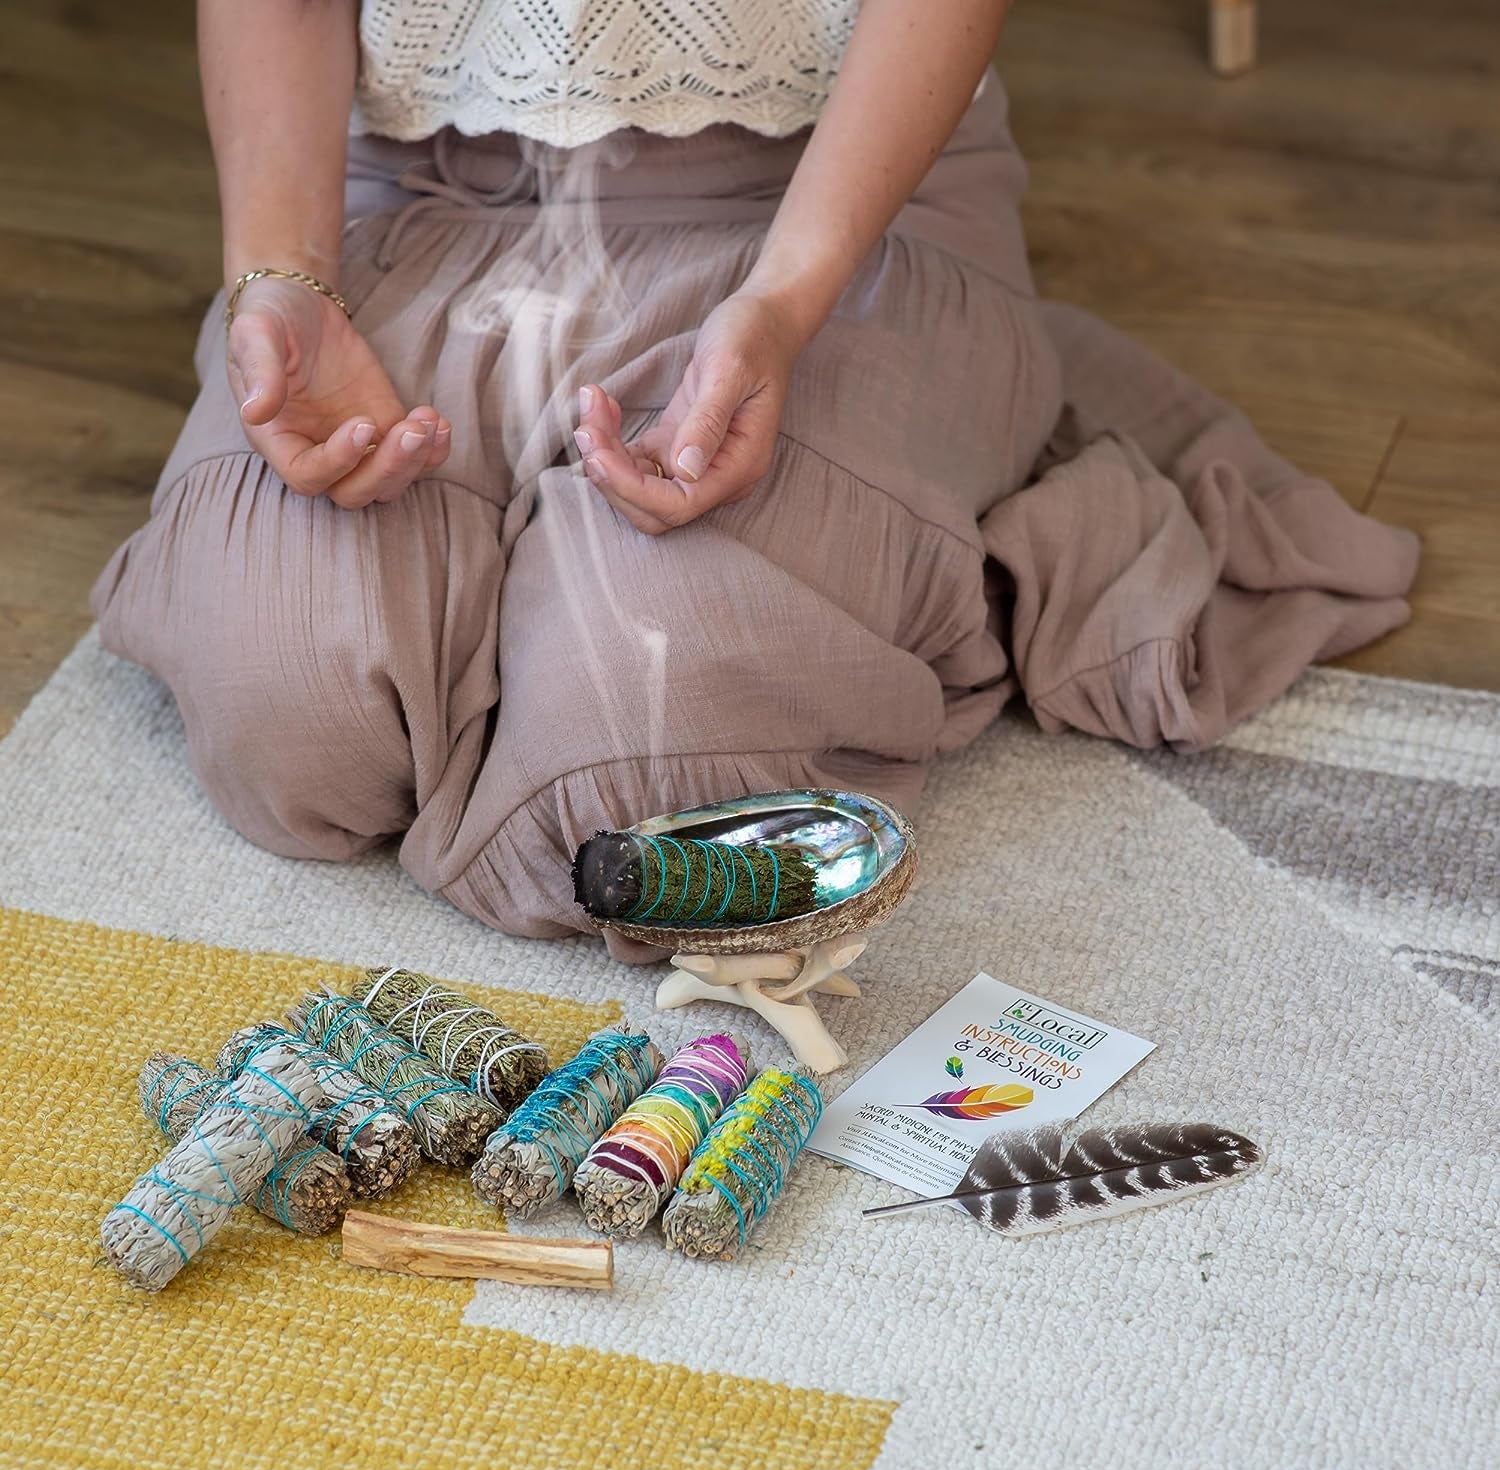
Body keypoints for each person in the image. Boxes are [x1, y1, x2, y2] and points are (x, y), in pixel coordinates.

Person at [91, 0, 1417, 961]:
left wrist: (786, 306)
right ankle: (525, 605)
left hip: (819, 210)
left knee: (645, 779)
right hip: (414, 203)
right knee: (296, 733)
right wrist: (284, 276)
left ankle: (886, 475)